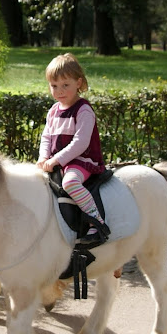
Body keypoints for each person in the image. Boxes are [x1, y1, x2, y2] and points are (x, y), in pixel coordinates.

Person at [37, 53, 109, 245]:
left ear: (79, 82)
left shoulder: (83, 110)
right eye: (54, 86)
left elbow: (80, 143)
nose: (59, 91)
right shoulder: (53, 111)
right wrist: (43, 157)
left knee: (70, 183)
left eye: (65, 85)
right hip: (58, 161)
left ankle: (97, 222)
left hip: (80, 161)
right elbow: (46, 136)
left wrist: (56, 160)